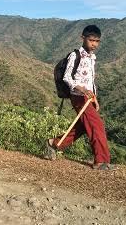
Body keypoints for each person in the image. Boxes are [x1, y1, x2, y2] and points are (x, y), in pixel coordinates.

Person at [46, 25, 114, 170]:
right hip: (78, 97)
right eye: (91, 40)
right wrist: (82, 89)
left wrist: (94, 97)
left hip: (88, 98)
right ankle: (101, 161)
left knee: (82, 127)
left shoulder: (91, 58)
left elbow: (91, 80)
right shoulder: (75, 55)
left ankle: (54, 143)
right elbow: (67, 77)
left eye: (97, 41)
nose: (94, 44)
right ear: (83, 38)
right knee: (97, 125)